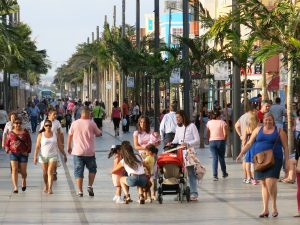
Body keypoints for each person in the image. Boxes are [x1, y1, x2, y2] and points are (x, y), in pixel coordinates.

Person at [236, 112, 289, 218]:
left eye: (270, 120)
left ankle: (274, 206)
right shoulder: (257, 130)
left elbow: (286, 147)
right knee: (263, 183)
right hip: (259, 160)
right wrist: (241, 153)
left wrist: (286, 161)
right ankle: (265, 209)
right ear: (262, 120)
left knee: (270, 181)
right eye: (266, 119)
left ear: (273, 120)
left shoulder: (279, 131)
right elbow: (249, 143)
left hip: (275, 159)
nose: (267, 121)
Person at [67, 107, 102, 197]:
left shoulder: (74, 123)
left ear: (81, 114)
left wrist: (68, 147)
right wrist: (98, 132)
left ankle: (80, 191)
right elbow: (98, 133)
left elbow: (70, 135)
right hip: (90, 152)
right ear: (88, 114)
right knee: (92, 169)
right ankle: (90, 186)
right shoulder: (92, 123)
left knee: (78, 171)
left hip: (78, 152)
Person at [171, 110, 200, 201]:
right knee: (180, 173)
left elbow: (197, 140)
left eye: (178, 117)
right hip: (179, 151)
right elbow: (176, 139)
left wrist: (187, 144)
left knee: (191, 173)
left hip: (189, 151)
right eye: (176, 118)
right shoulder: (178, 128)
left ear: (183, 117)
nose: (177, 119)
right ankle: (182, 192)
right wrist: (170, 143)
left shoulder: (192, 126)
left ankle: (194, 192)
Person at [33, 120, 67, 194]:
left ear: (51, 126)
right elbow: (37, 147)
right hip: (43, 156)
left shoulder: (55, 134)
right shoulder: (40, 135)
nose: (48, 127)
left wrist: (64, 154)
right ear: (44, 126)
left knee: (50, 172)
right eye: (46, 125)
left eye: (50, 125)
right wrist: (35, 156)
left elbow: (60, 145)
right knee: (45, 173)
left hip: (53, 156)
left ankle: (50, 189)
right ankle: (46, 185)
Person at [4, 117, 32, 193]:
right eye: (16, 123)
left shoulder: (25, 132)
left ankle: (23, 180)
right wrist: (8, 150)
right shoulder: (11, 133)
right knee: (14, 169)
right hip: (13, 154)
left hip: (23, 154)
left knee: (23, 172)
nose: (18, 124)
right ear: (13, 124)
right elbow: (7, 144)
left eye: (19, 123)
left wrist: (27, 151)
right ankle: (15, 187)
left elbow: (29, 142)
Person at [40, 108, 64, 181]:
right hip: (46, 145)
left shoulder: (57, 122)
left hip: (55, 143)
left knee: (55, 159)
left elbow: (61, 133)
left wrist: (62, 143)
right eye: (54, 114)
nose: (55, 116)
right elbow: (40, 133)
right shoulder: (44, 122)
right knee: (47, 161)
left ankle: (54, 172)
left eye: (56, 114)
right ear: (49, 115)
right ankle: (49, 172)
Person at [235, 105, 256, 183]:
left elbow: (236, 126)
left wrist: (240, 135)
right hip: (251, 142)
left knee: (246, 160)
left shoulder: (242, 117)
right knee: (252, 161)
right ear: (253, 110)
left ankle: (246, 177)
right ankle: (252, 177)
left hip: (245, 141)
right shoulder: (253, 117)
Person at [206, 111, 229, 181]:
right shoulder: (222, 122)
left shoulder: (209, 123)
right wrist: (224, 140)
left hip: (212, 141)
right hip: (221, 141)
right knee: (221, 158)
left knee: (214, 158)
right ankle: (224, 173)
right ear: (218, 116)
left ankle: (215, 175)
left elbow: (208, 132)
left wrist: (208, 139)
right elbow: (225, 134)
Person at [242, 111, 259, 185]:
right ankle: (254, 178)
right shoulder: (258, 127)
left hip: (248, 146)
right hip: (256, 145)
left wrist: (243, 147)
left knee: (247, 162)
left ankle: (248, 178)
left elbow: (244, 139)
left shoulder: (247, 127)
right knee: (253, 163)